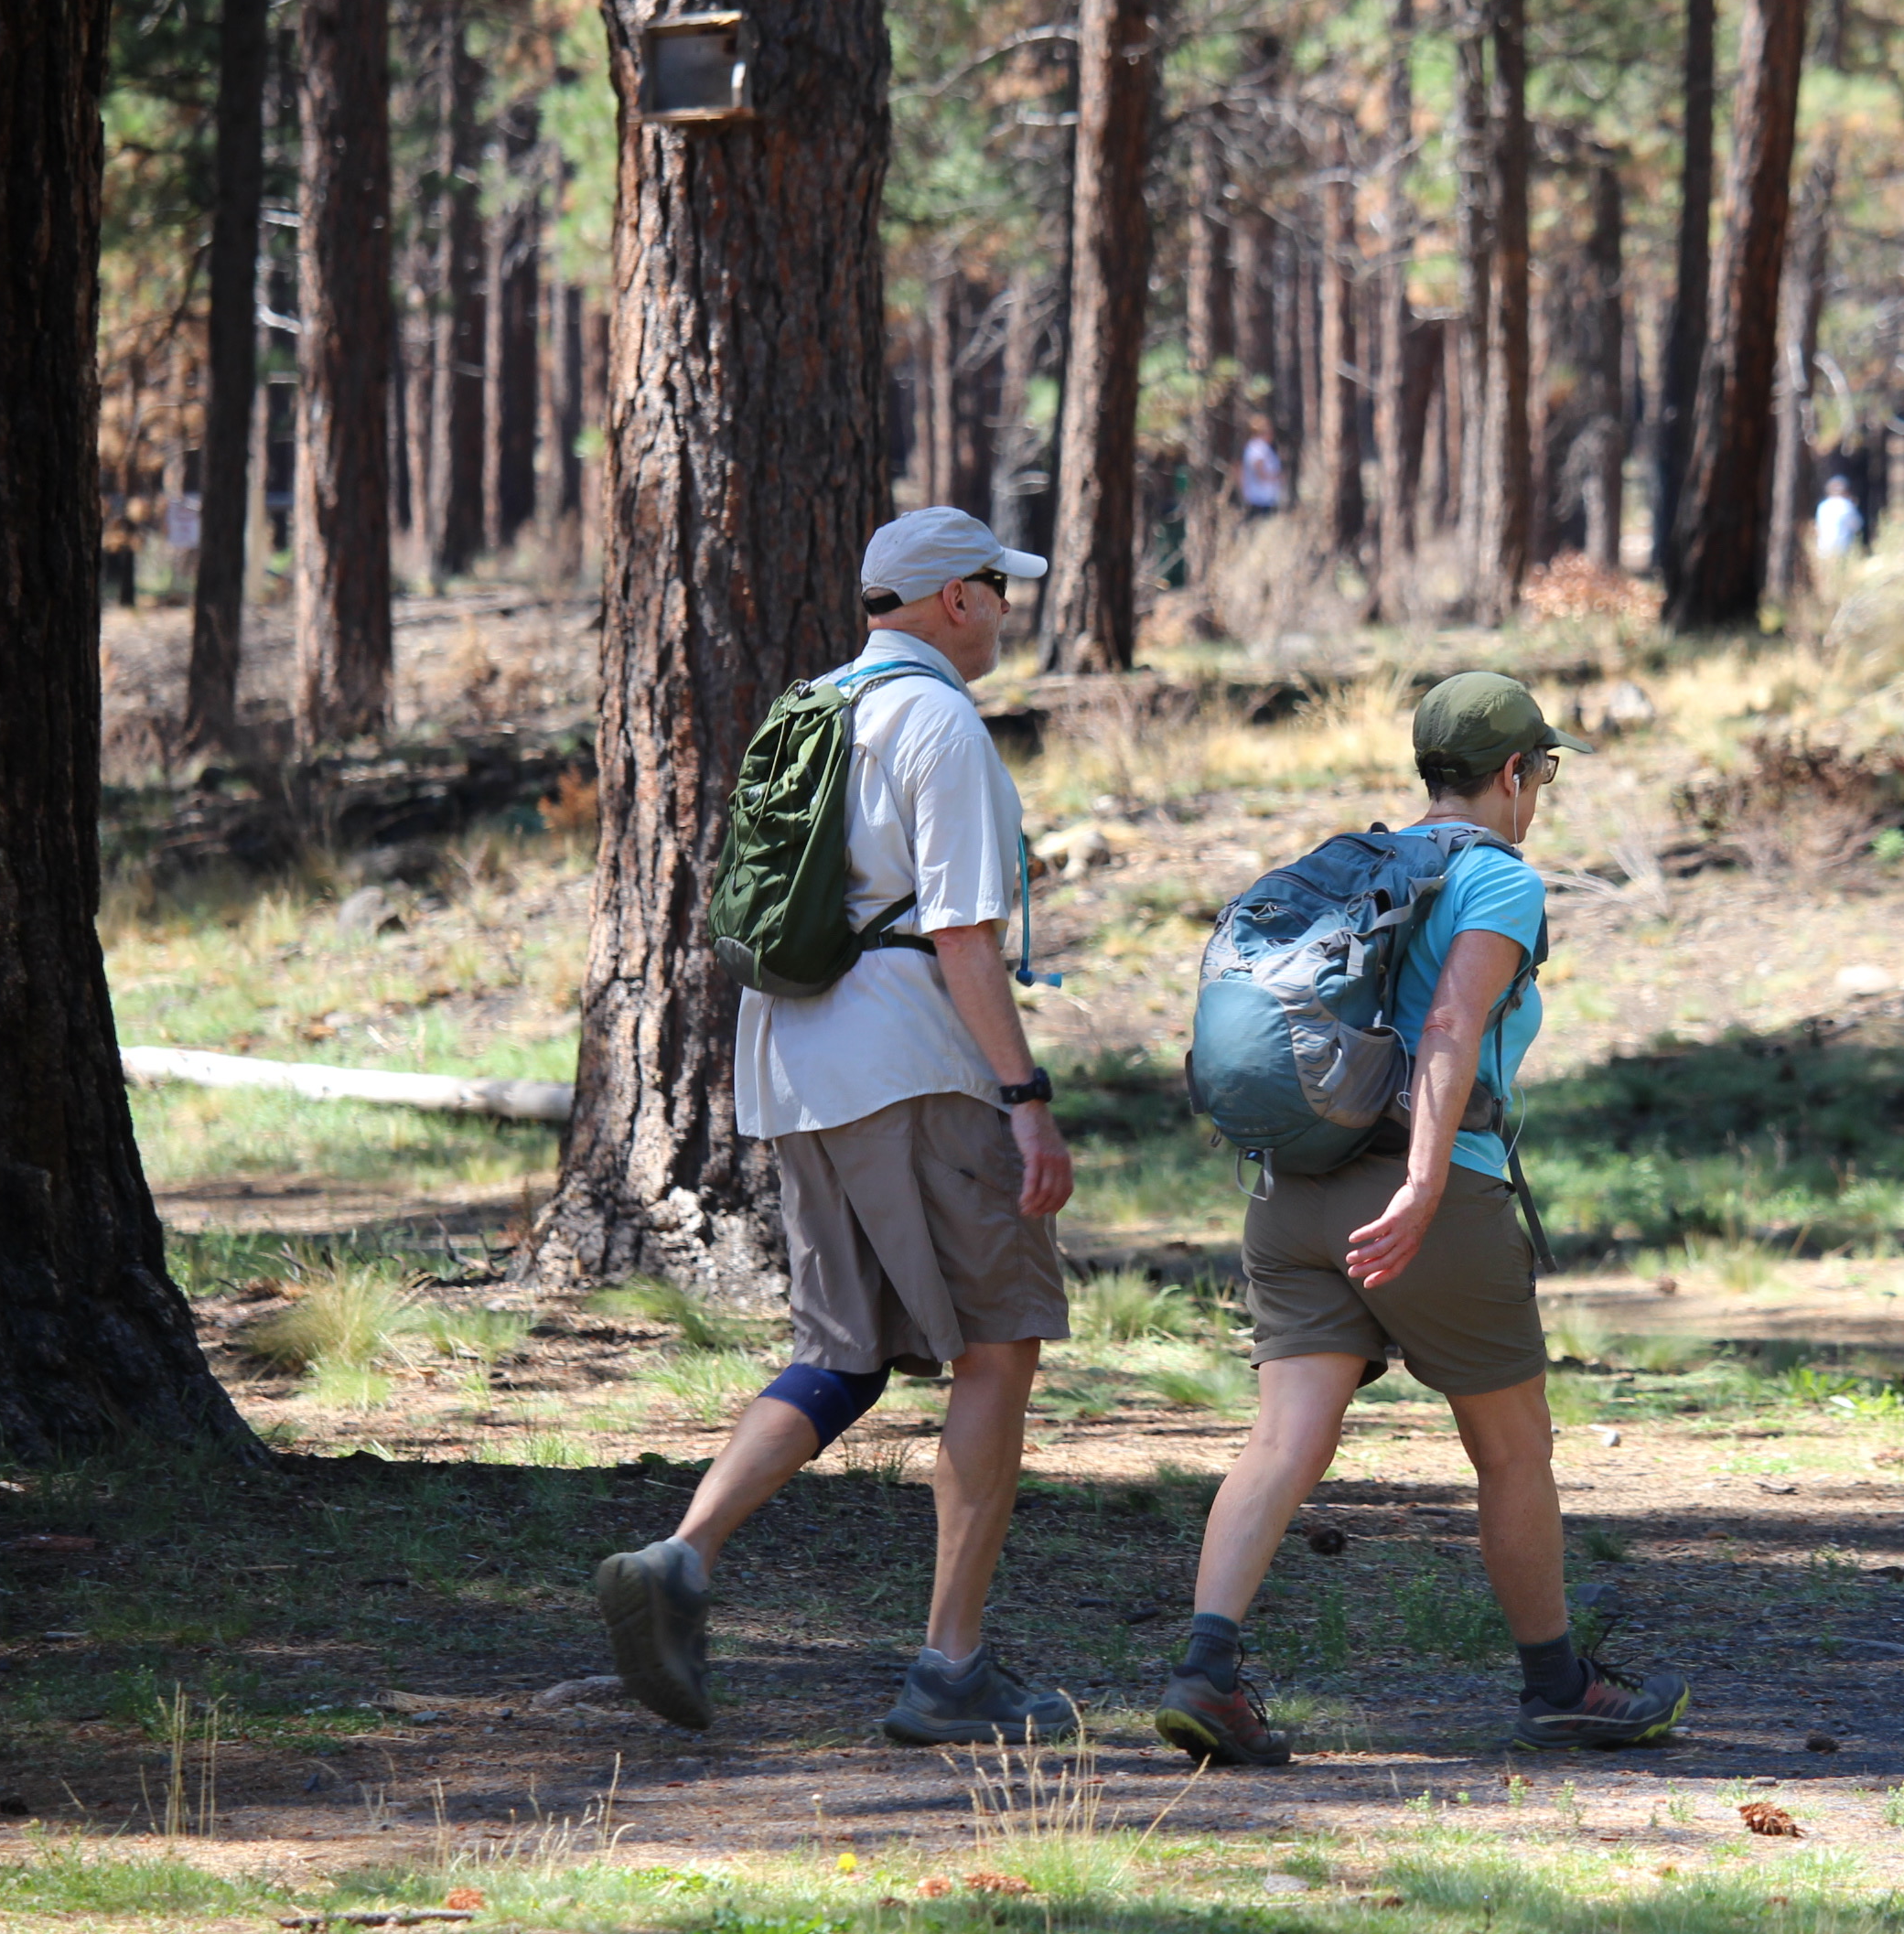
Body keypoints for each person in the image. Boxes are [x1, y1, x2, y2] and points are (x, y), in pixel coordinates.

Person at [591, 506, 1081, 1746]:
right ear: (956, 600)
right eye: (997, 586)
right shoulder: (941, 724)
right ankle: (951, 1668)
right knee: (1000, 1342)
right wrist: (1025, 1098)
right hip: (913, 1063)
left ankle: (682, 1559)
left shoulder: (809, 708)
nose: (1006, 607)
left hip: (793, 1060)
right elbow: (964, 938)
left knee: (847, 1350)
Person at [1153, 672, 1694, 1766]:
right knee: (1512, 1451)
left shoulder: (1361, 867)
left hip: (1291, 1198)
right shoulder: (1498, 882)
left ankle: (1205, 1673)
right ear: (1513, 774)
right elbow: (1451, 1022)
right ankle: (1558, 1684)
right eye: (1540, 771)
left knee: (1283, 1438)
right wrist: (1424, 1182)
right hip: (1422, 1203)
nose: (1540, 791)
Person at [1812, 473, 1866, 563]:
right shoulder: (1847, 506)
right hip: (1843, 550)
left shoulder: (1822, 506)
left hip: (1824, 550)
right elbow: (1857, 525)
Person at [1238, 416, 1287, 513]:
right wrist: (1277, 478)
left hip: (1265, 498)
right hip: (1260, 499)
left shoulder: (1258, 447)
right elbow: (1260, 473)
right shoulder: (1258, 448)